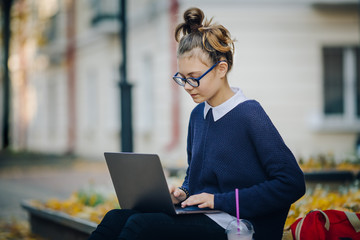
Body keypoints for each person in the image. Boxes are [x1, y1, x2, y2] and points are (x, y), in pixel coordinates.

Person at [88, 7, 305, 240]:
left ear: (221, 69)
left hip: (240, 226)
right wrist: (183, 193)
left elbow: (291, 183)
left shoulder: (249, 114)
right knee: (115, 217)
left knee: (140, 226)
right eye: (182, 78)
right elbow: (195, 178)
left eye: (194, 77)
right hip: (203, 214)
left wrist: (218, 200)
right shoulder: (197, 115)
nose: (188, 86)